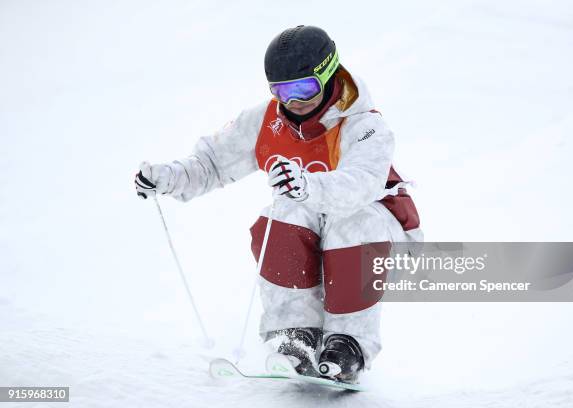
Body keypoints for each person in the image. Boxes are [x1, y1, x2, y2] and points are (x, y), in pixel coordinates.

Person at [135, 25, 421, 383]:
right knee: (282, 212)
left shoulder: (363, 125)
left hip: (382, 231)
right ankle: (295, 336)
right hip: (317, 229)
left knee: (350, 221)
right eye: (282, 91)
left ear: (328, 74)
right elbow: (212, 163)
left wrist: (307, 185)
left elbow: (359, 185)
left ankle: (348, 343)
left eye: (304, 88)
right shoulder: (267, 120)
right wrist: (169, 177)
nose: (294, 101)